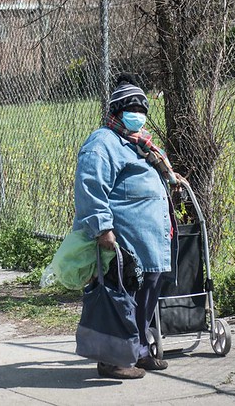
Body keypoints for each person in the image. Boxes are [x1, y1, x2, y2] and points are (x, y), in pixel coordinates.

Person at [72, 73, 177, 380]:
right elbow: (90, 187)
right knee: (121, 296)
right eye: (132, 109)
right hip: (123, 240)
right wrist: (103, 228)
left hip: (149, 239)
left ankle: (139, 351)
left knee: (146, 294)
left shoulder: (140, 143)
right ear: (116, 112)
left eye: (142, 109)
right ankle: (112, 359)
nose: (138, 115)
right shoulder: (103, 142)